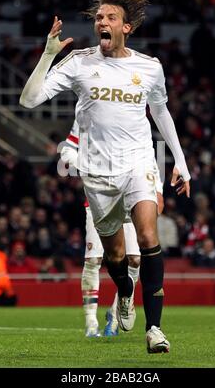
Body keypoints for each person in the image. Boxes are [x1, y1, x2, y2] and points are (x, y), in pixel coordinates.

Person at [19, 0, 191, 353]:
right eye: (99, 17)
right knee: (113, 255)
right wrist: (48, 54)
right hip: (97, 173)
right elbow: (29, 100)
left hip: (138, 163)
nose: (102, 21)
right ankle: (125, 291)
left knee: (147, 237)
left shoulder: (149, 68)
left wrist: (180, 161)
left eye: (111, 17)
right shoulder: (80, 62)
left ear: (126, 26)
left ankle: (155, 329)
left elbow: (160, 112)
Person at [61, 120, 164, 337]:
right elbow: (67, 150)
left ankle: (117, 313)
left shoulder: (131, 112)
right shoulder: (86, 113)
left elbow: (150, 155)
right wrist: (85, 166)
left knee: (135, 259)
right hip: (101, 199)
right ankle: (90, 322)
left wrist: (158, 188)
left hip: (132, 193)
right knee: (95, 260)